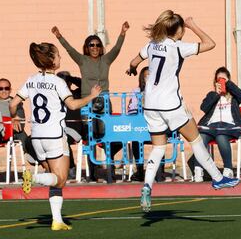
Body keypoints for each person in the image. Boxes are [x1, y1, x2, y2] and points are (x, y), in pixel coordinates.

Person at [126, 10, 239, 212]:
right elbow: (210, 43)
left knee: (158, 148)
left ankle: (146, 186)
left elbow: (134, 62)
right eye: (182, 29)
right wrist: (193, 25)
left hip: (150, 105)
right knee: (195, 139)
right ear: (177, 30)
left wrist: (132, 69)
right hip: (170, 104)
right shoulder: (178, 47)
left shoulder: (152, 45)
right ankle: (218, 178)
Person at [9, 42, 101, 230]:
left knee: (53, 178)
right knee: (60, 179)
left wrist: (14, 117)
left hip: (37, 138)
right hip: (55, 136)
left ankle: (57, 220)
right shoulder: (58, 82)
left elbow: (13, 104)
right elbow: (73, 105)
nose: (61, 58)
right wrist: (92, 96)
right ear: (51, 59)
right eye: (58, 55)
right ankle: (32, 178)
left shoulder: (31, 80)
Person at [52, 22, 130, 182]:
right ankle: (93, 173)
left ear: (101, 47)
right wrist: (59, 37)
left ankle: (110, 167)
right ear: (87, 47)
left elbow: (116, 49)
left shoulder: (106, 60)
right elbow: (69, 50)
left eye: (97, 45)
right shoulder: (82, 60)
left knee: (108, 135)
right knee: (91, 136)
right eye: (91, 45)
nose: (94, 47)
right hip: (88, 102)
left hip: (104, 102)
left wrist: (122, 33)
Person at [188, 67, 241, 182]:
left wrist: (228, 84)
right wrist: (216, 93)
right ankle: (198, 170)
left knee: (221, 137)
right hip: (211, 127)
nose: (221, 81)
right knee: (201, 138)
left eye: (224, 79)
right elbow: (203, 108)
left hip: (229, 127)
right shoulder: (212, 95)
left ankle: (228, 169)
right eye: (218, 79)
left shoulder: (234, 97)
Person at [127, 67, 165, 182]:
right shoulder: (136, 91)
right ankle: (140, 171)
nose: (148, 78)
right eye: (146, 76)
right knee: (135, 141)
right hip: (140, 126)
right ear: (142, 78)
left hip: (155, 126)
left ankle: (159, 172)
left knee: (160, 140)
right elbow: (131, 109)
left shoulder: (160, 91)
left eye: (150, 75)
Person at [0, 78, 39, 166]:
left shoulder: (16, 102)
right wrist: (9, 120)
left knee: (23, 134)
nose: (4, 91)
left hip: (14, 133)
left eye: (6, 88)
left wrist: (3, 121)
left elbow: (20, 124)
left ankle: (29, 154)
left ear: (10, 89)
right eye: (1, 88)